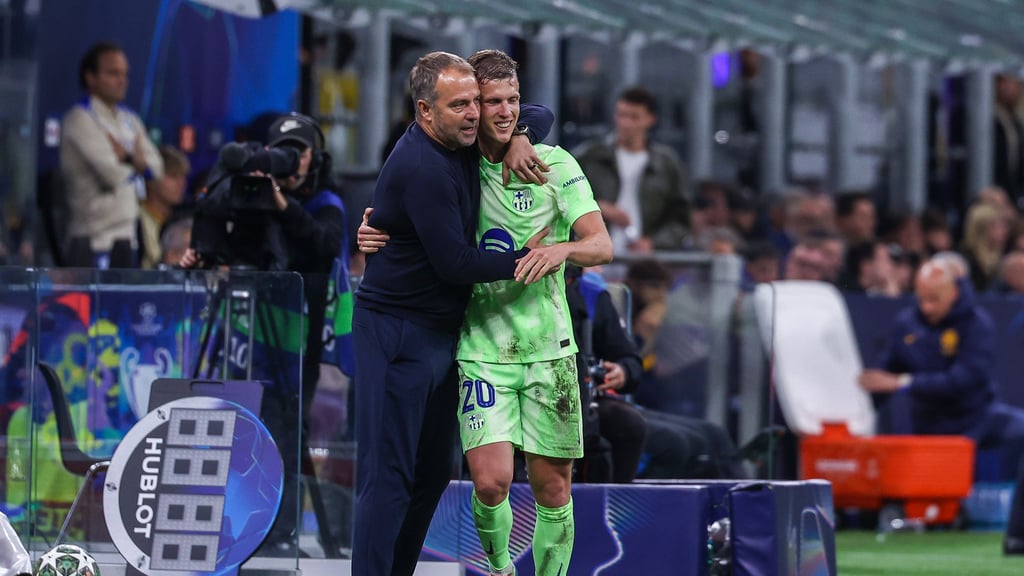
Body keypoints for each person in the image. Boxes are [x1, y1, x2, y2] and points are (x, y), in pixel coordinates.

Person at [351, 51, 555, 576]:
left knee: (432, 474)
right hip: (397, 332)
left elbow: (536, 113)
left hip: (442, 334)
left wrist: (522, 136)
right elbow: (454, 263)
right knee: (389, 477)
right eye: (459, 105)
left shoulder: (462, 140)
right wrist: (531, 259)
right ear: (425, 111)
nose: (474, 114)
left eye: (475, 103)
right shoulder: (424, 166)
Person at [452, 50, 612, 576]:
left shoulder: (556, 163)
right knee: (491, 481)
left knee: (553, 486)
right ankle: (499, 569)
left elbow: (601, 245)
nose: (503, 111)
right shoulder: (456, 165)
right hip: (482, 348)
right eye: (492, 100)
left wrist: (561, 251)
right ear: (473, 104)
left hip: (550, 350)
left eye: (512, 100)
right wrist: (375, 225)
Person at [182, 112, 349, 555]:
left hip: (297, 345)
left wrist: (282, 206)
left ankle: (281, 529)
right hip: (249, 336)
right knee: (239, 424)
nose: (292, 162)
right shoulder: (251, 194)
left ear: (315, 156)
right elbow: (231, 240)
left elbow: (326, 245)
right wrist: (203, 254)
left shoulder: (326, 200)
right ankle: (227, 523)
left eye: (299, 152)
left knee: (287, 430)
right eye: (283, 151)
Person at [858, 257, 1024, 554]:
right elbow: (884, 374)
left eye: (935, 299)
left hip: (978, 417)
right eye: (922, 298)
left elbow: (963, 379)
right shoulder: (906, 324)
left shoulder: (977, 324)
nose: (927, 307)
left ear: (954, 293)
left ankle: (1018, 534)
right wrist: (867, 394)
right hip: (928, 426)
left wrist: (904, 382)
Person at [60, 41, 163, 267]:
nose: (122, 80)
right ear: (91, 77)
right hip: (93, 241)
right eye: (113, 73)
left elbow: (156, 168)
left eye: (125, 74)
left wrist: (126, 157)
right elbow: (112, 174)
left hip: (128, 238)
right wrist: (136, 163)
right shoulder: (80, 119)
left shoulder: (130, 119)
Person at [575, 86, 690, 254]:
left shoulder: (666, 163)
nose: (625, 123)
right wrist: (598, 207)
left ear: (651, 119)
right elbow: (565, 196)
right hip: (594, 254)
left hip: (645, 261)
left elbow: (680, 218)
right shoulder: (590, 156)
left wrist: (653, 243)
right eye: (621, 115)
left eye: (634, 117)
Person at [139, 145, 190, 269]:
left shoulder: (182, 219)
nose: (181, 184)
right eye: (173, 176)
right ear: (150, 179)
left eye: (183, 176)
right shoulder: (136, 218)